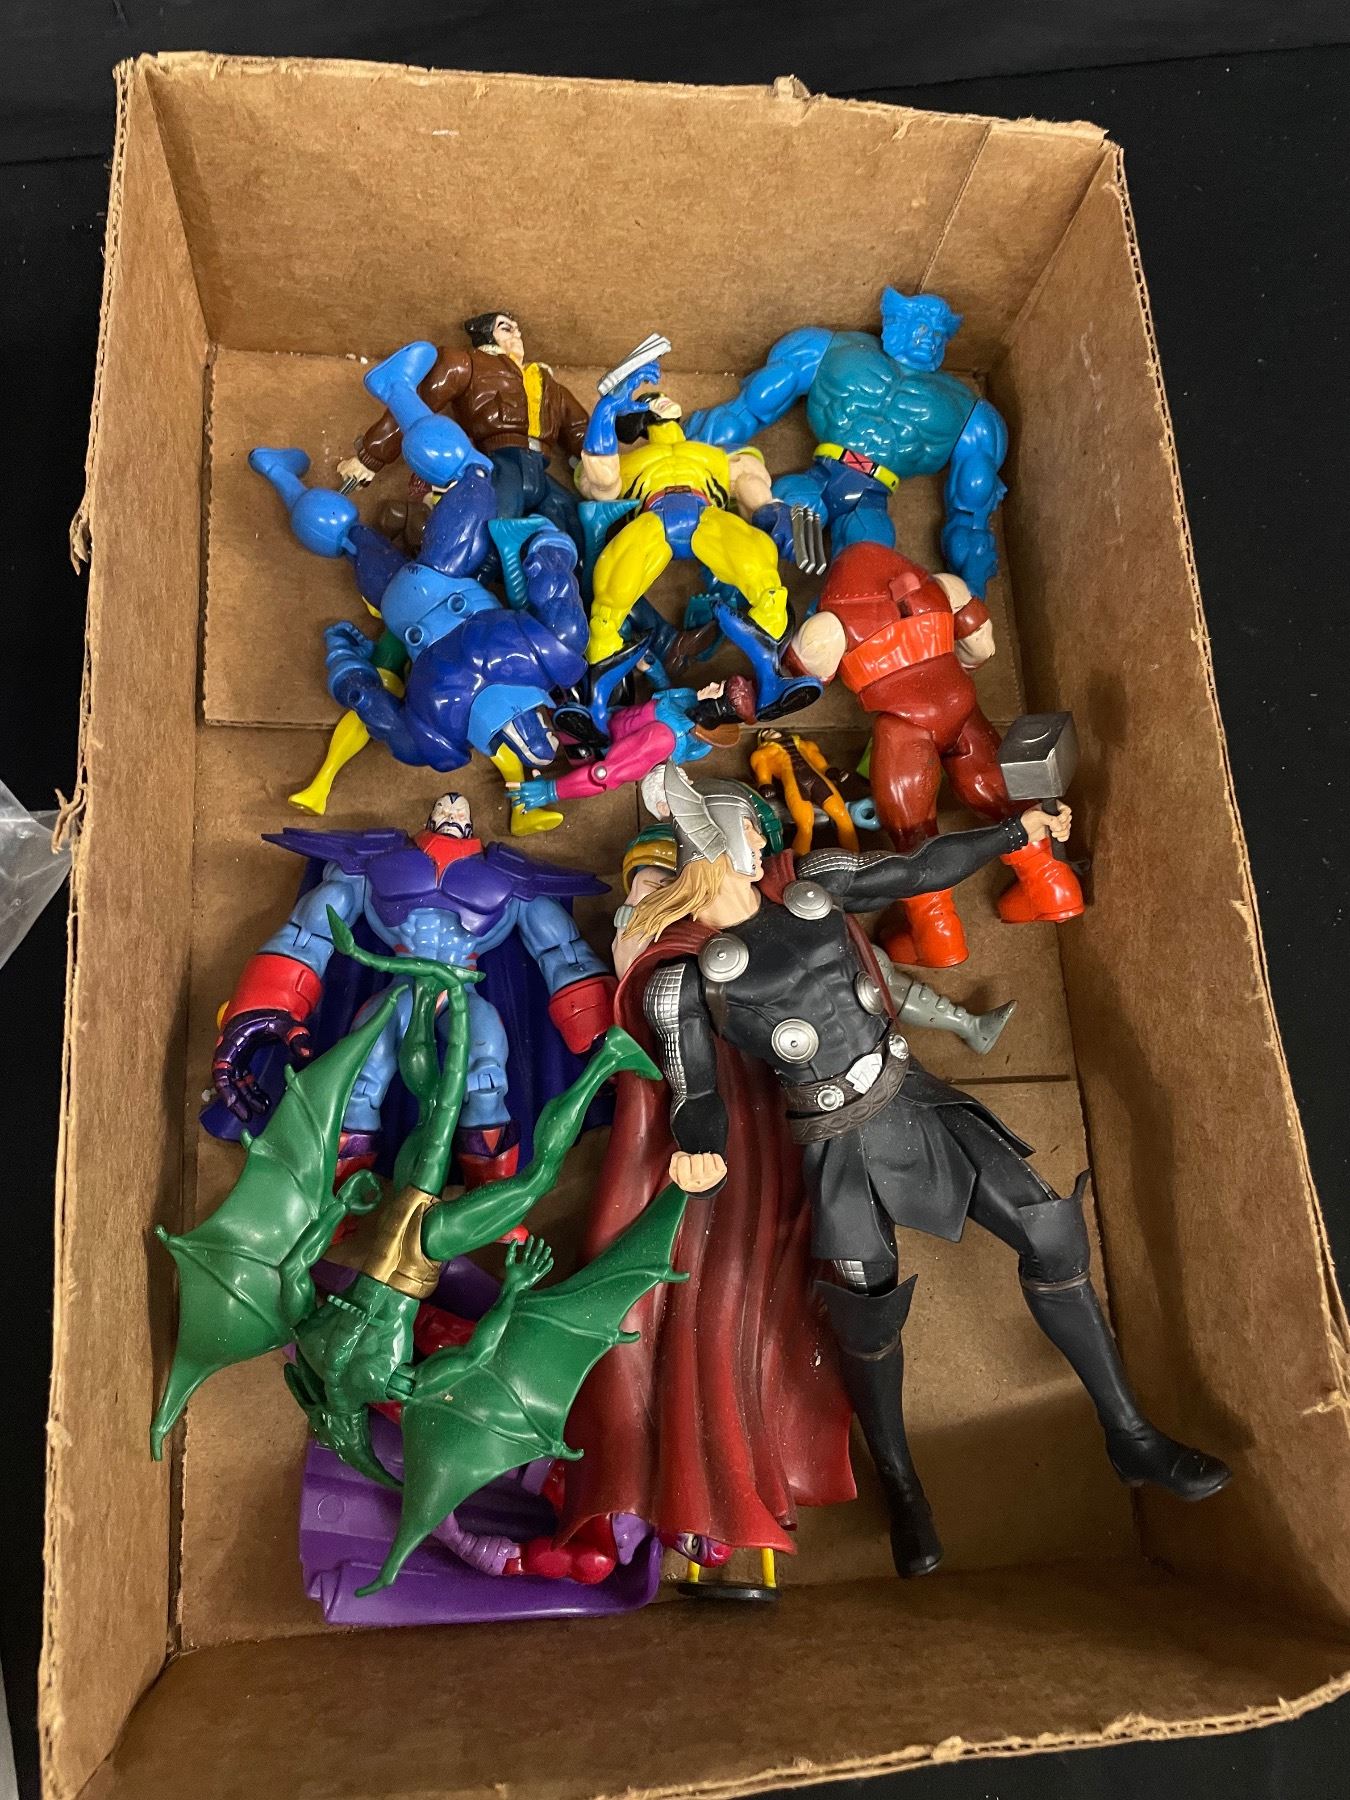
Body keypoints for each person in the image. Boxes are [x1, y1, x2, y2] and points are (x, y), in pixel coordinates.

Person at [563, 765, 1229, 1584]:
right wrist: (697, 1146)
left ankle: (1131, 1436)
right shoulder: (683, 982)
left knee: (1052, 1230)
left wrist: (1012, 833)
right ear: (718, 845)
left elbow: (916, 869)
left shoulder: (812, 885)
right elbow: (695, 1091)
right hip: (834, 1146)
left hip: (912, 1097)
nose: (764, 842)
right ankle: (904, 1486)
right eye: (751, 831)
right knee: (867, 1319)